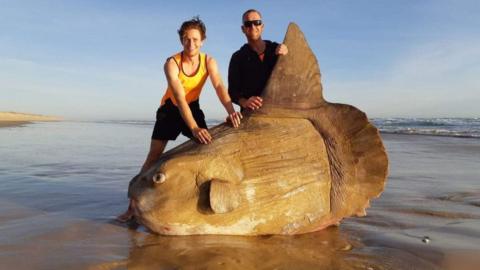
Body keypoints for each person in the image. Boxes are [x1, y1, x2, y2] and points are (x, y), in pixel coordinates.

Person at [117, 17, 242, 222]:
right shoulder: (172, 63)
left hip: (192, 106)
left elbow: (219, 86)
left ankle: (194, 200)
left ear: (202, 40)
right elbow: (179, 97)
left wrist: (231, 110)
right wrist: (193, 127)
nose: (190, 44)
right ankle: (132, 207)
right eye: (186, 39)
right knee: (154, 156)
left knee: (206, 146)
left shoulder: (209, 61)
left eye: (195, 39)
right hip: (170, 109)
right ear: (181, 41)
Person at [228, 9, 288, 111]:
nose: (253, 27)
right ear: (243, 29)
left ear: (262, 26)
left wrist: (288, 52)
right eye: (248, 24)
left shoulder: (277, 49)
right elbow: (233, 92)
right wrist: (245, 102)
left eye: (257, 23)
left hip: (279, 111)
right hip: (252, 115)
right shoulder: (237, 58)